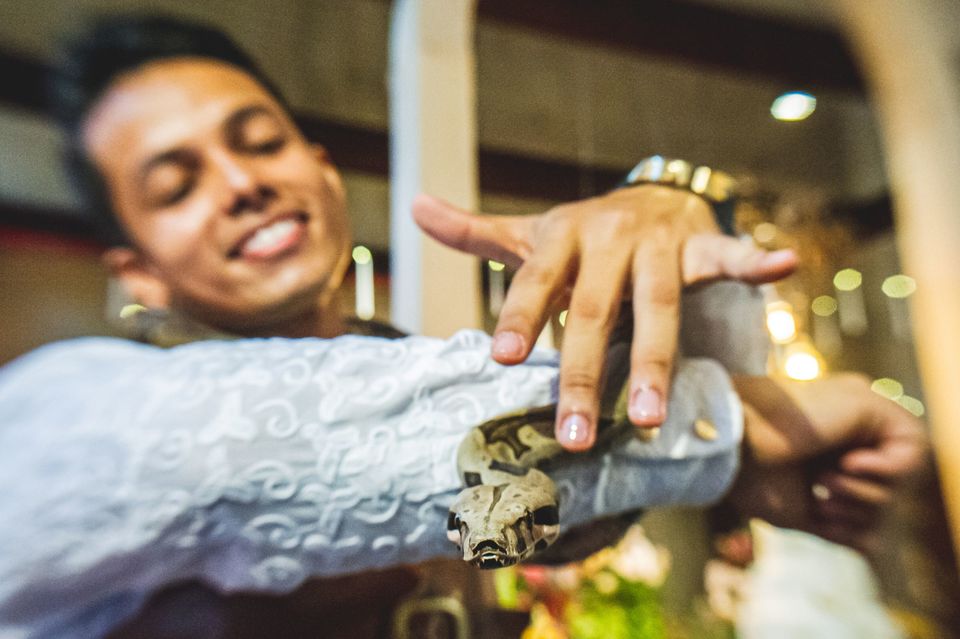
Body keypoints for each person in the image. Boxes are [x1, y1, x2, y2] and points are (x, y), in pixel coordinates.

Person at [0, 13, 925, 639]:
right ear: (137, 271)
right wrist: (756, 421)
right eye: (177, 186)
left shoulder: (412, 366)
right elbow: (307, 462)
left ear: (322, 169)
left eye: (260, 142)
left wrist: (671, 207)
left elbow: (532, 518)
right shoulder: (77, 416)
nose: (242, 184)